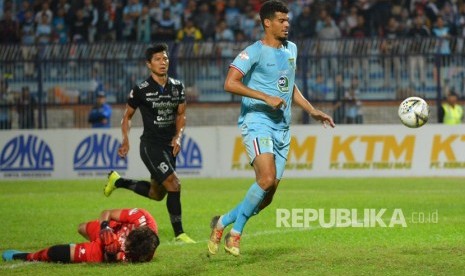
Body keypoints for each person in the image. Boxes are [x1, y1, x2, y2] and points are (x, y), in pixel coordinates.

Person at [208, 0, 335, 257]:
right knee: (265, 179)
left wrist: (310, 109)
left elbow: (289, 85)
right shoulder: (252, 52)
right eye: (281, 20)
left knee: (267, 196)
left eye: (287, 20)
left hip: (282, 128)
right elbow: (230, 83)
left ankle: (221, 222)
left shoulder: (292, 50)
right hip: (257, 122)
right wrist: (264, 97)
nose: (286, 24)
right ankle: (236, 234)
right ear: (267, 22)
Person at [104, 43, 195, 244]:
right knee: (174, 184)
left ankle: (117, 181)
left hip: (170, 147)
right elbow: (126, 116)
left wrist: (178, 136)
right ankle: (179, 234)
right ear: (149, 64)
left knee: (157, 194)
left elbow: (181, 115)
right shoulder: (141, 90)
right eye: (157, 59)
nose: (162, 63)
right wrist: (125, 139)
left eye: (165, 59)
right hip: (151, 146)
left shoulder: (177, 86)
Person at [2, 208, 160, 263]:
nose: (126, 244)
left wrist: (112, 254)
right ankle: (93, 239)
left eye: (128, 248)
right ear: (136, 229)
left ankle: (26, 256)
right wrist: (105, 228)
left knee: (56, 253)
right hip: (112, 229)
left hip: (106, 249)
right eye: (127, 240)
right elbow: (108, 213)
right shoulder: (141, 216)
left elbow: (118, 259)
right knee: (81, 228)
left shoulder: (142, 254)